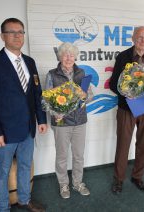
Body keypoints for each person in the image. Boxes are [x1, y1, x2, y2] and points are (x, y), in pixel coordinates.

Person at [0, 18, 47, 212]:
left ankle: (25, 200)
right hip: (4, 132)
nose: (17, 36)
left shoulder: (30, 62)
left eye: (21, 32)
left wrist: (41, 119)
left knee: (25, 166)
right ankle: (3, 208)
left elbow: (36, 93)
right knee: (2, 171)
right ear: (2, 36)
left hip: (28, 129)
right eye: (12, 32)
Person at [109, 26, 144, 194]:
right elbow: (113, 84)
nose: (142, 40)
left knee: (143, 143)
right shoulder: (123, 57)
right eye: (139, 37)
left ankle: (137, 176)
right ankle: (118, 180)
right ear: (133, 38)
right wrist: (127, 94)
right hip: (126, 107)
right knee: (123, 144)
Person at [45, 42, 93, 199]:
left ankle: (78, 182)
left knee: (79, 155)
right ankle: (63, 184)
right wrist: (55, 113)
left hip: (80, 121)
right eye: (65, 55)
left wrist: (85, 96)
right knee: (62, 156)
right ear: (60, 56)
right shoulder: (52, 74)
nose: (68, 58)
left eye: (71, 55)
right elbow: (45, 100)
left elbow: (90, 95)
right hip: (61, 123)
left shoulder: (82, 73)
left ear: (75, 56)